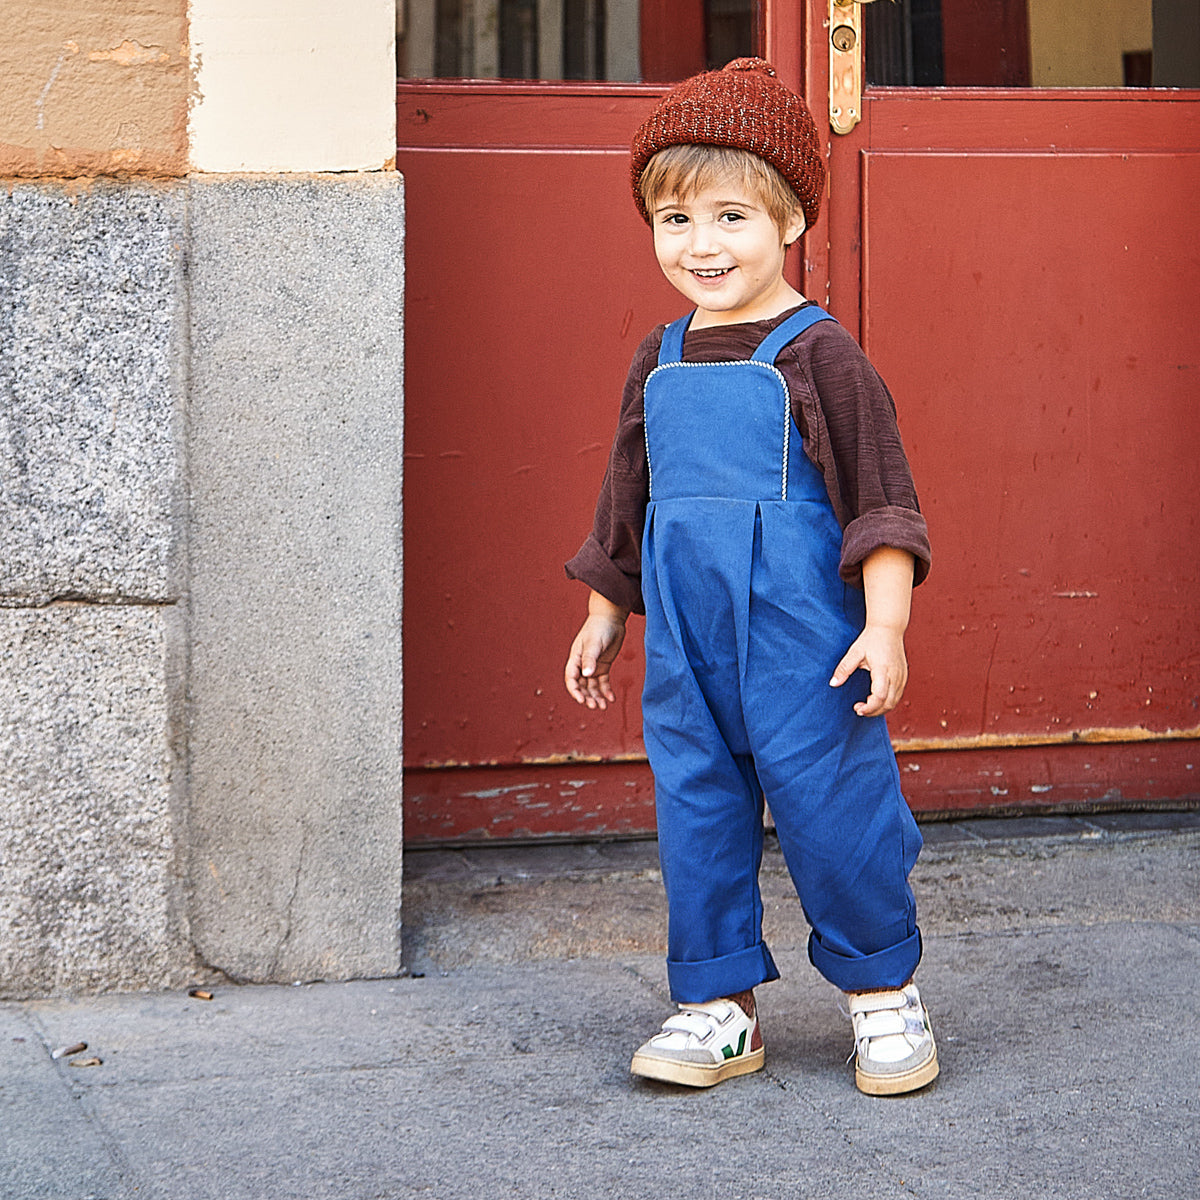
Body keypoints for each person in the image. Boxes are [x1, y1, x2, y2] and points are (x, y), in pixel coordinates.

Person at [562, 58, 939, 1097]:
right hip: (687, 640)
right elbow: (626, 492)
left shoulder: (823, 358)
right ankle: (718, 1006)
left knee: (835, 806)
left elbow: (882, 502)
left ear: (790, 221)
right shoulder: (661, 355)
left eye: (732, 216)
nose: (702, 245)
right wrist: (606, 610)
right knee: (695, 808)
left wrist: (886, 627)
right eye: (674, 219)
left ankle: (881, 993)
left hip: (802, 641)